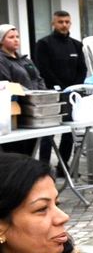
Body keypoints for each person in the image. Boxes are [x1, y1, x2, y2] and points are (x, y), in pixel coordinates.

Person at [34, 10, 87, 170]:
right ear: (53, 23)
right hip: (51, 95)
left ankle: (63, 166)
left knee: (69, 132)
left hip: (71, 95)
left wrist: (74, 88)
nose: (64, 25)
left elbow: (82, 69)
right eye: (60, 22)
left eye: (67, 22)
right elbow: (43, 69)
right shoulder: (44, 44)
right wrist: (59, 88)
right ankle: (43, 167)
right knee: (47, 134)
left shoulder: (76, 45)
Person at [0, 24, 47, 156]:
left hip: (34, 110)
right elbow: (7, 84)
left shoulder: (25, 60)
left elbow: (38, 79)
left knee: (30, 152)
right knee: (17, 153)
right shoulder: (2, 61)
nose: (16, 40)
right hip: (17, 113)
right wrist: (29, 95)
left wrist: (42, 96)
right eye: (11, 37)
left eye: (17, 37)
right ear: (1, 40)